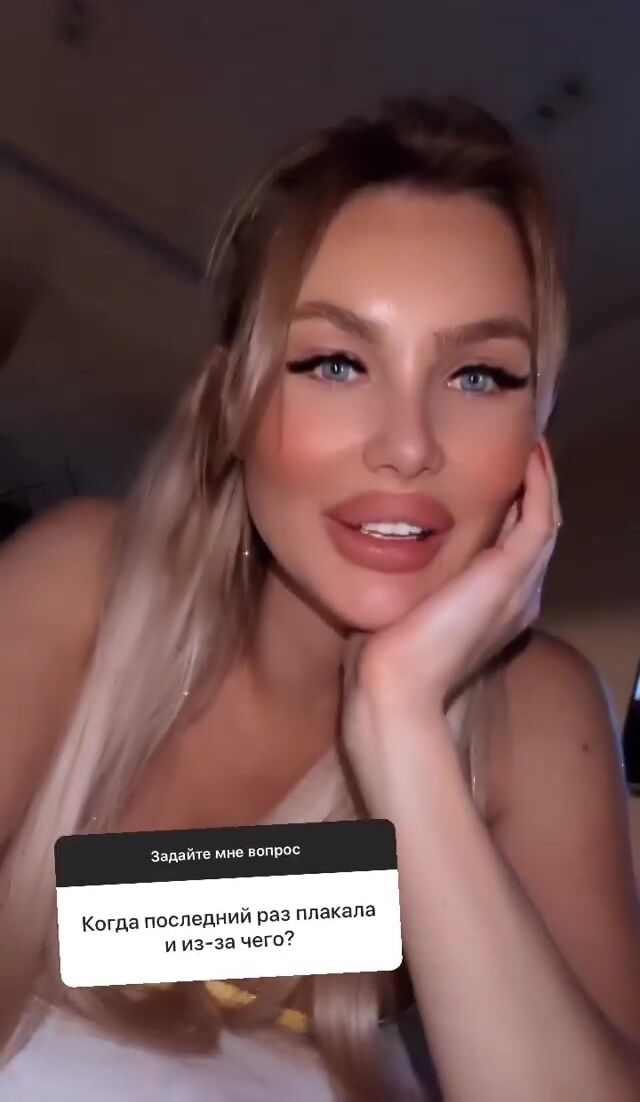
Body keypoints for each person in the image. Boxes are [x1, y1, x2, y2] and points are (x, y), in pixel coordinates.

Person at [0, 96, 639, 1102]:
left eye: (479, 376)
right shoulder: (86, 577)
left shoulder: (543, 712)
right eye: (336, 362)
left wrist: (401, 722)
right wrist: (145, 913)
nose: (410, 445)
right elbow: (128, 931)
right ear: (230, 404)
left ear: (537, 435)